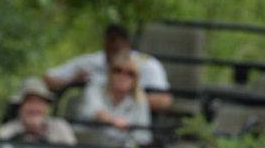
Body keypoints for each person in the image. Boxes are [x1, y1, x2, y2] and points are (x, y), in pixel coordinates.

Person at [44, 23, 173, 112]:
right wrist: (73, 81)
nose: (121, 76)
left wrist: (125, 97)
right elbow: (48, 78)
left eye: (128, 74)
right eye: (116, 71)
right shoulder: (91, 64)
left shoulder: (148, 65)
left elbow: (165, 101)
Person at [82, 51, 152, 147]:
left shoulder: (140, 99)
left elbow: (143, 137)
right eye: (118, 70)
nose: (123, 76)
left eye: (130, 74)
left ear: (136, 79)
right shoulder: (95, 89)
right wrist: (113, 121)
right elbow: (94, 111)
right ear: (110, 73)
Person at [0, 77, 77, 145]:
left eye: (40, 102)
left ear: (47, 107)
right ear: (20, 107)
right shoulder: (7, 132)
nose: (35, 108)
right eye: (30, 102)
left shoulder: (60, 128)